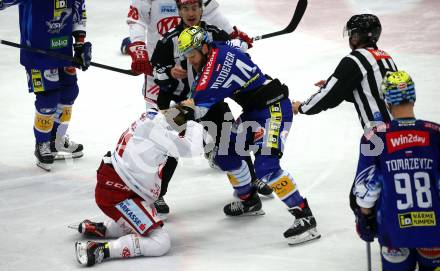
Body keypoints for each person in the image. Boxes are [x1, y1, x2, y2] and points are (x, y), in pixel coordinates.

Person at [179, 26, 320, 245]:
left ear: (205, 48)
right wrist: (241, 40)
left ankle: (306, 217)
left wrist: (165, 119)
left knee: (266, 167)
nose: (191, 61)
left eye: (192, 55)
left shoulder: (211, 75)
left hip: (273, 110)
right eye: (187, 56)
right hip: (254, 112)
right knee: (224, 153)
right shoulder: (223, 47)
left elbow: (195, 109)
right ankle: (249, 200)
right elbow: (239, 44)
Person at [149, 0, 271, 217]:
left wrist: (240, 43)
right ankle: (156, 194)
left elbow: (235, 54)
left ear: (202, 9)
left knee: (230, 140)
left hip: (209, 101)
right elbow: (156, 74)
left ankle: (251, 182)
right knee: (170, 147)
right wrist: (169, 74)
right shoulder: (168, 40)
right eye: (185, 8)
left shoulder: (213, 33)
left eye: (194, 7)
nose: (190, 13)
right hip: (180, 103)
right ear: (179, 11)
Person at [73, 105, 204, 266]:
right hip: (119, 194)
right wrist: (193, 122)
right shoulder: (161, 134)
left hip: (117, 186)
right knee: (161, 242)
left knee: (140, 224)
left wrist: (183, 112)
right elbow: (194, 148)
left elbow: (170, 114)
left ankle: (100, 228)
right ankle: (100, 249)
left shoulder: (150, 117)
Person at [352, 71, 440, 271]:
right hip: (434, 232)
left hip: (394, 230)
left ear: (387, 102)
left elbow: (366, 188)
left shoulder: (373, 137)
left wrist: (365, 217)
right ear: (414, 98)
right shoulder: (435, 132)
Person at [0, 0, 92, 171]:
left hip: (63, 50)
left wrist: (79, 44)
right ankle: (42, 143)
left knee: (69, 92)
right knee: (48, 99)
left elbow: (79, 10)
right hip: (37, 54)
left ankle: (55, 140)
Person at [122, 0, 253, 108]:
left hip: (196, 68)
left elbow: (212, 13)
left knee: (201, 120)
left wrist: (233, 34)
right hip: (161, 64)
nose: (190, 13)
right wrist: (139, 49)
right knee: (157, 121)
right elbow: (137, 19)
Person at [292, 14, 397, 129]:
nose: (350, 38)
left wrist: (301, 107)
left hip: (380, 132)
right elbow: (371, 91)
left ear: (357, 36)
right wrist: (340, 83)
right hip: (401, 128)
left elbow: (329, 96)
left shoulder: (356, 59)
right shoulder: (385, 57)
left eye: (352, 34)